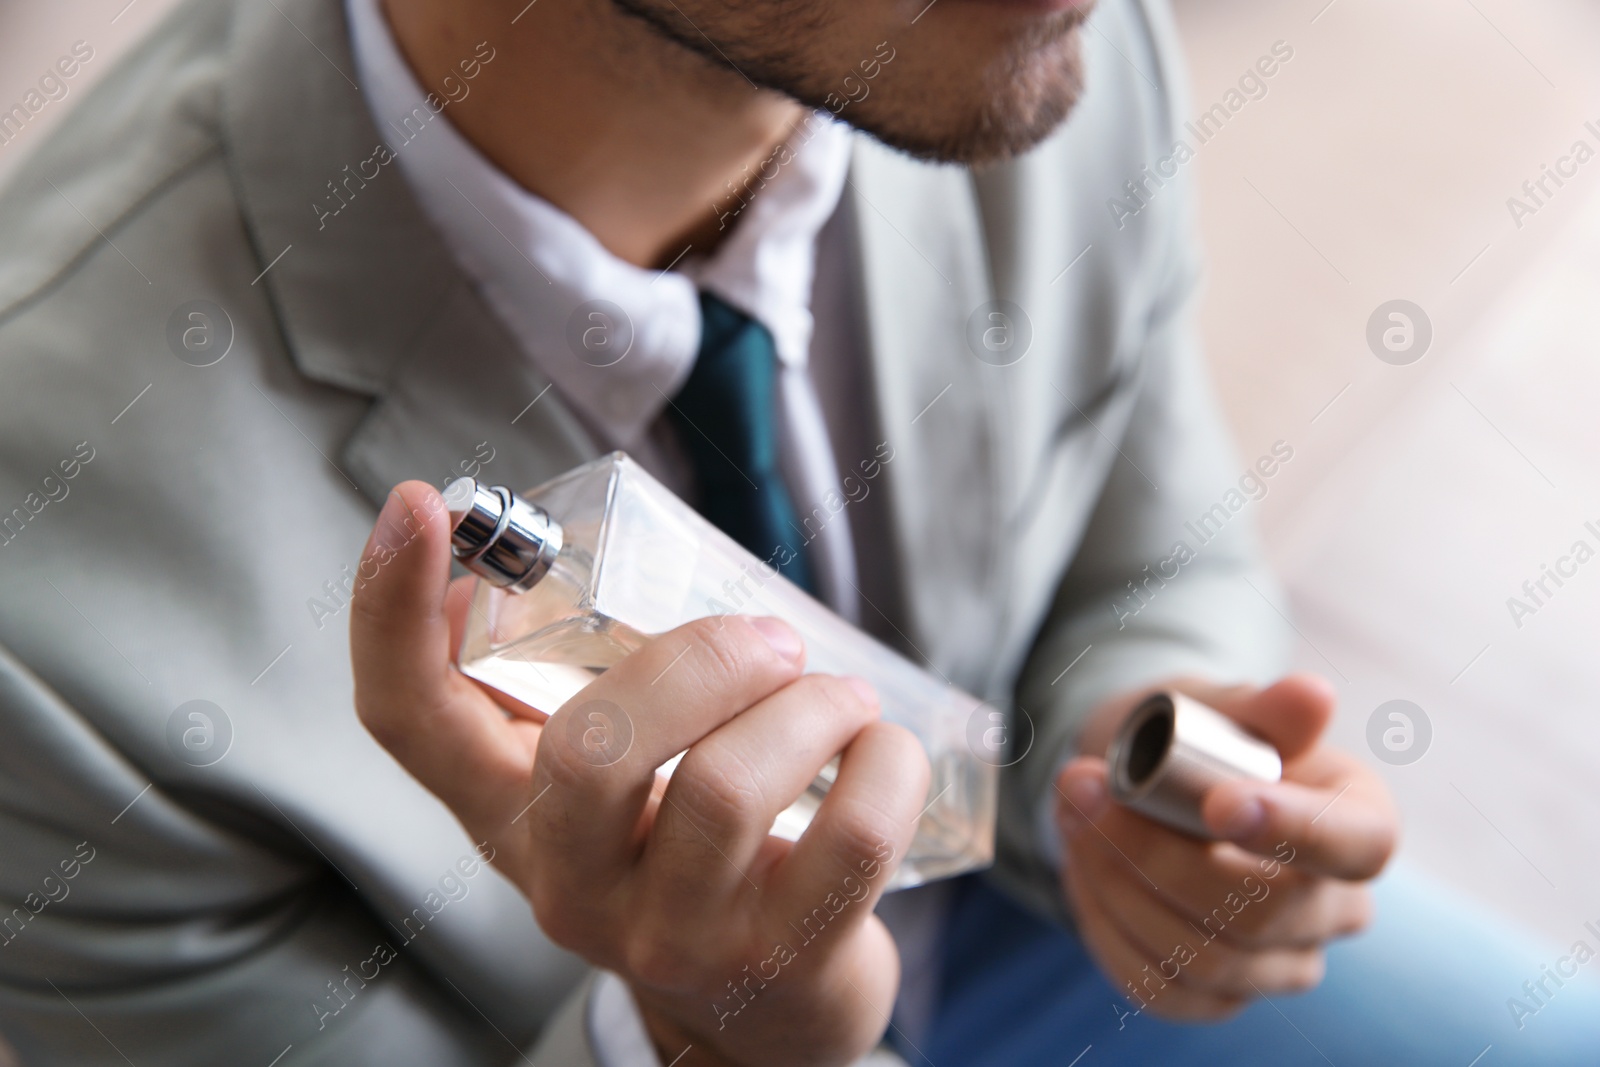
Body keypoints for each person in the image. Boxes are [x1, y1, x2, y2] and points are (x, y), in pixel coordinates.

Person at [0, 0, 1596, 1063]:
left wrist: (1146, 761)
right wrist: (715, 1039)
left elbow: (1149, 534)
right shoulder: (49, 610)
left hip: (1053, 937)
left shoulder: (1019, 51)